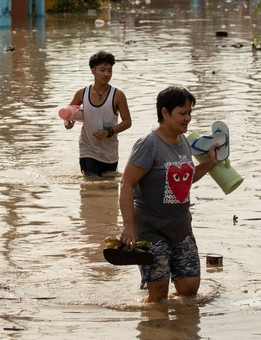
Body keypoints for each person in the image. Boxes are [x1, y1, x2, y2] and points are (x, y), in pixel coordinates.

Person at [117, 86, 219, 302]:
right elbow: (127, 184)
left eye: (190, 113)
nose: (188, 118)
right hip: (152, 231)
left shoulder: (183, 141)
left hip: (181, 228)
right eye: (182, 113)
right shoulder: (148, 144)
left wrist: (210, 163)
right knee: (158, 295)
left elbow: (185, 179)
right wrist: (128, 227)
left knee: (190, 290)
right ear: (165, 113)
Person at [64, 51, 132, 177]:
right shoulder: (81, 94)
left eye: (110, 70)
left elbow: (127, 122)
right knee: (91, 183)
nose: (107, 74)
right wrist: (68, 123)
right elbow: (68, 114)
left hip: (109, 151)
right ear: (93, 70)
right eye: (102, 70)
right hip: (87, 149)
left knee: (109, 187)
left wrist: (109, 132)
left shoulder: (118, 95)